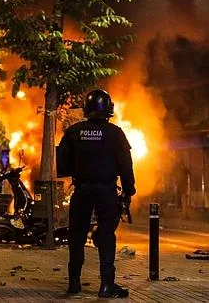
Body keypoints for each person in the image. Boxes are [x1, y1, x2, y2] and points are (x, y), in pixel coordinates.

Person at [56, 89, 135, 298]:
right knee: (107, 235)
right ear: (108, 109)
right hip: (107, 191)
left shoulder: (74, 132)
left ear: (86, 109)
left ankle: (74, 282)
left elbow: (62, 163)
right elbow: (126, 165)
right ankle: (107, 285)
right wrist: (129, 191)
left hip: (82, 190)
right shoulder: (116, 133)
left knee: (76, 236)